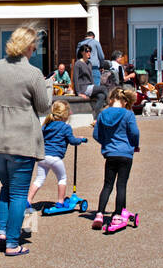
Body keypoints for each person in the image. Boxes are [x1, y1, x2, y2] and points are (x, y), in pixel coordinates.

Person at [0, 26, 52, 256]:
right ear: (29, 47)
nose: (35, 51)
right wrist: (49, 89)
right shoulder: (33, 73)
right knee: (19, 192)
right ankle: (12, 242)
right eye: (35, 47)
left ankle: (2, 231)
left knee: (7, 188)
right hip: (22, 141)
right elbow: (43, 107)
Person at [90, 87, 140, 233]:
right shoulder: (128, 114)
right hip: (125, 153)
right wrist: (135, 145)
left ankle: (99, 213)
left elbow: (96, 134)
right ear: (125, 101)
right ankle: (117, 215)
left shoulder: (103, 114)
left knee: (107, 184)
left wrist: (106, 143)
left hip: (110, 153)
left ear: (111, 99)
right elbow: (135, 132)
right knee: (121, 185)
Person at [29, 100, 87, 208]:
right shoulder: (65, 127)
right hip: (55, 158)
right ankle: (60, 201)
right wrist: (81, 140)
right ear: (65, 114)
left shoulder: (46, 126)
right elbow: (72, 141)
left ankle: (28, 200)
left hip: (43, 157)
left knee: (39, 179)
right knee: (62, 178)